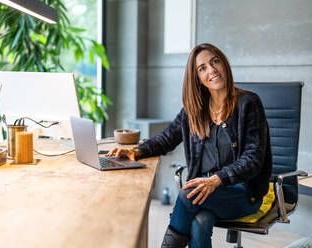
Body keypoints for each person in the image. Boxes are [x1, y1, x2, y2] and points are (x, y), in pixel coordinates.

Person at [106, 43, 272, 248]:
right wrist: (137, 151)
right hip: (204, 191)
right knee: (200, 222)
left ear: (224, 64)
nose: (211, 70)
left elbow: (253, 159)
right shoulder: (195, 110)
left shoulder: (248, 103)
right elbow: (166, 139)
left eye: (215, 62)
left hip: (242, 192)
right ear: (198, 79)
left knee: (188, 193)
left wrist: (216, 180)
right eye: (202, 68)